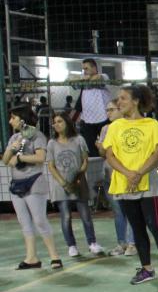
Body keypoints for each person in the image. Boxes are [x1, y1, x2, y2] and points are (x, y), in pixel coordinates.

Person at [102, 84, 158, 287]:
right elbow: (109, 155)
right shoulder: (115, 127)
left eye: (123, 98)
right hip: (125, 184)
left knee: (156, 226)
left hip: (148, 183)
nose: (119, 102)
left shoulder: (151, 124)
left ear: (136, 101)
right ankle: (147, 268)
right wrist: (128, 174)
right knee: (137, 227)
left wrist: (139, 173)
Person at [4, 105, 62, 270]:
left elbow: (40, 157)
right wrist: (12, 149)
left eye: (13, 118)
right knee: (24, 223)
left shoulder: (37, 136)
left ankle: (54, 256)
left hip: (34, 182)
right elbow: (7, 160)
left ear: (22, 119)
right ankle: (31, 258)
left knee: (40, 220)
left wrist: (20, 157)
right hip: (17, 184)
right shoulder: (15, 137)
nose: (10, 121)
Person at [46, 111, 102, 257]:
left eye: (60, 121)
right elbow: (51, 166)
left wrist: (78, 176)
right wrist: (64, 183)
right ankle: (71, 246)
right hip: (61, 186)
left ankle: (92, 243)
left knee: (85, 215)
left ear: (67, 123)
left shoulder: (79, 139)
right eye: (54, 122)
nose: (56, 125)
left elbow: (85, 160)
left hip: (78, 183)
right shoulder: (52, 143)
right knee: (66, 217)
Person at [96, 100, 136, 256]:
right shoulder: (105, 129)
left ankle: (132, 243)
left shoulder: (129, 127)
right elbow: (103, 153)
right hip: (109, 174)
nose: (108, 113)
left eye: (111, 109)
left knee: (131, 210)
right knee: (118, 211)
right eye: (107, 110)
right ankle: (122, 243)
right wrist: (101, 147)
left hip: (125, 173)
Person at [73, 58, 111, 157]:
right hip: (87, 119)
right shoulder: (83, 79)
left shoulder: (104, 76)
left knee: (107, 146)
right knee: (90, 149)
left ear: (94, 68)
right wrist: (83, 78)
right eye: (83, 69)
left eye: (86, 69)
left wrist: (84, 79)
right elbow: (70, 79)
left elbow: (98, 78)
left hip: (103, 118)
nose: (84, 71)